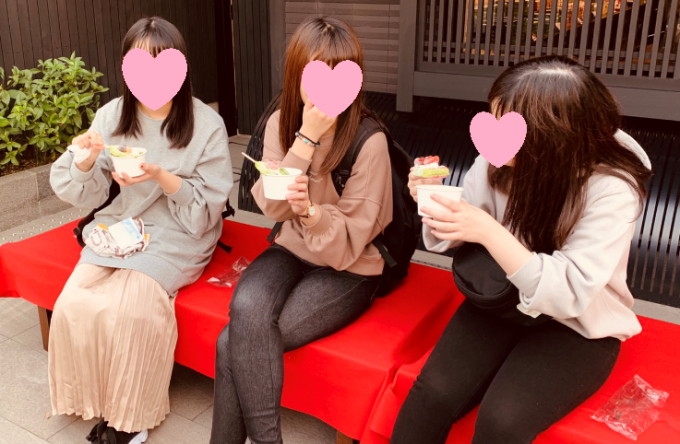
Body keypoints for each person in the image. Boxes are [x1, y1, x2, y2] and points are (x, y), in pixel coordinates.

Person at [392, 55, 652, 444]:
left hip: (578, 321)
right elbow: (460, 231)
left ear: (553, 135)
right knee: (431, 396)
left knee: (503, 423)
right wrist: (432, 202)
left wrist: (489, 231)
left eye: (509, 125)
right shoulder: (498, 154)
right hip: (502, 296)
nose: (495, 135)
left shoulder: (612, 189)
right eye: (494, 118)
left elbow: (569, 292)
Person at [49, 17, 232, 444]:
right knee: (74, 301)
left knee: (134, 308)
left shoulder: (206, 123)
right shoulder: (112, 115)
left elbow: (207, 208)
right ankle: (89, 397)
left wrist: (160, 176)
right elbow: (86, 191)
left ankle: (131, 417)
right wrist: (85, 161)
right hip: (120, 222)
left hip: (179, 231)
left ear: (180, 68)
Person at [209, 17, 393, 444]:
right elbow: (273, 206)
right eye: (315, 73)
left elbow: (348, 243)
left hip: (350, 266)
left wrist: (310, 213)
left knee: (232, 342)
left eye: (338, 72)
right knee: (247, 304)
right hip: (292, 248)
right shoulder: (282, 123)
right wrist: (305, 139)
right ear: (296, 74)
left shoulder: (369, 141)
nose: (326, 87)